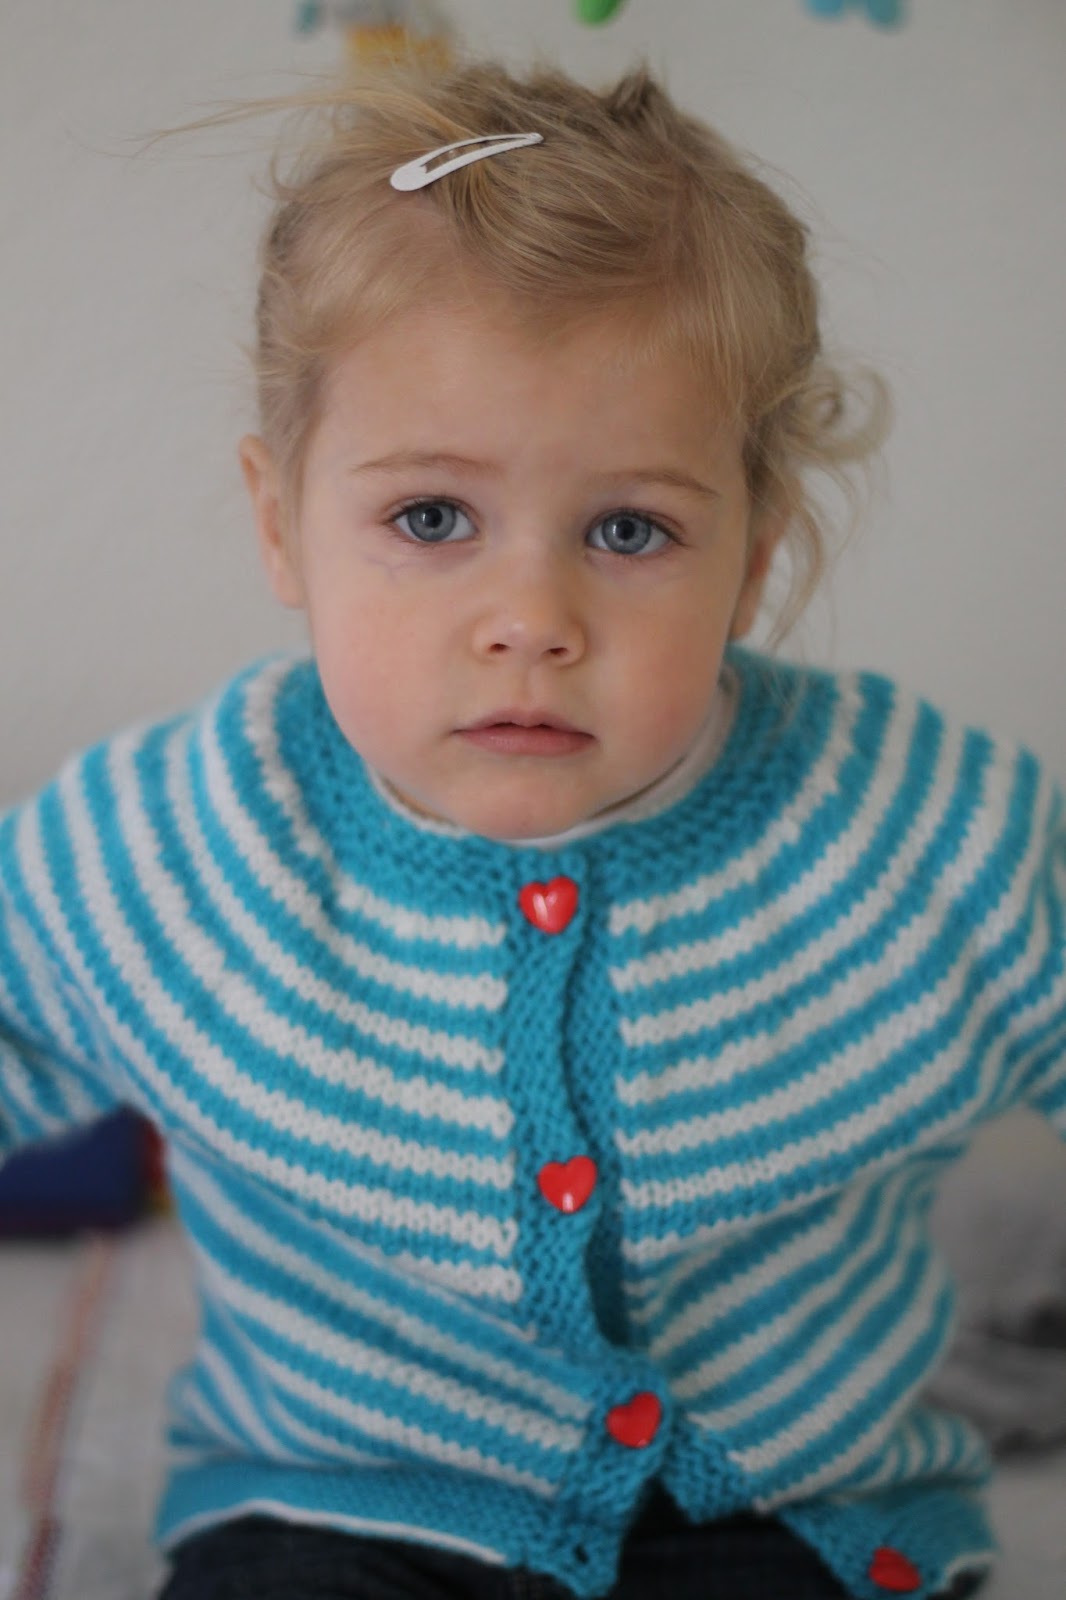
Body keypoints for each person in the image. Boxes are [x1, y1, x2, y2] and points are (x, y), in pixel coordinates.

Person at [0, 55, 1061, 1600]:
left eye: (629, 529)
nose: (529, 618)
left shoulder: (928, 831)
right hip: (338, 1504)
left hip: (791, 1516)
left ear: (754, 556)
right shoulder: (167, 848)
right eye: (430, 519)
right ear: (282, 523)